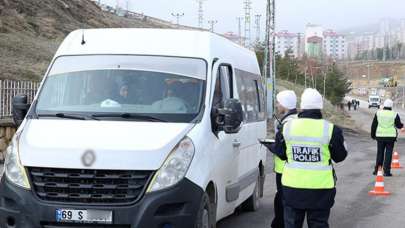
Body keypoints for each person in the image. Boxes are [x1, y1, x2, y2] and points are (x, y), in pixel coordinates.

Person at [270, 88, 348, 228]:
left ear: (302, 107)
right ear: (320, 107)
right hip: (321, 191)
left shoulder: (286, 128)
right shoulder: (330, 129)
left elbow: (280, 154)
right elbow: (340, 156)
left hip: (292, 189)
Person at [271, 90, 298, 228]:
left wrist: (272, 147)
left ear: (285, 104)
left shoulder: (287, 123)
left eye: (278, 102)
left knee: (283, 201)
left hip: (285, 168)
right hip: (287, 167)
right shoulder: (295, 119)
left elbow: (283, 148)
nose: (276, 105)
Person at [371, 99, 404, 176]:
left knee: (380, 153)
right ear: (391, 106)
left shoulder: (378, 113)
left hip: (380, 136)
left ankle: (377, 170)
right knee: (388, 153)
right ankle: (387, 172)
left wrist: (373, 135)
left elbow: (374, 125)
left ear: (384, 105)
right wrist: (402, 126)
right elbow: (398, 125)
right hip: (390, 137)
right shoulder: (394, 114)